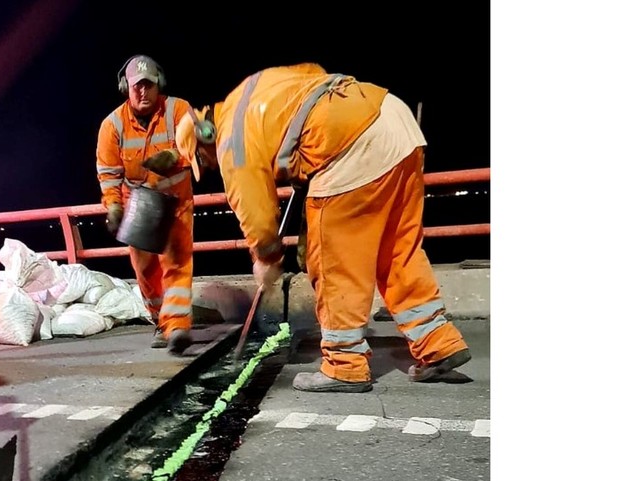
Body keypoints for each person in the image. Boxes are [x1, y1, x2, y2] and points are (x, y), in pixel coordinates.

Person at [174, 63, 471, 392]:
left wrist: (266, 259)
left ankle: (345, 364)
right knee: (398, 252)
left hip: (348, 143)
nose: (212, 166)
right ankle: (438, 345)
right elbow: (313, 73)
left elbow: (257, 215)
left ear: (204, 139)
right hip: (392, 120)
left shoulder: (232, 141)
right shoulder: (249, 90)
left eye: (204, 161)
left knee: (332, 260)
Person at [96, 55, 196, 355]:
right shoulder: (112, 126)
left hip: (175, 201)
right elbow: (109, 173)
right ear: (126, 87)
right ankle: (160, 319)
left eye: (149, 85)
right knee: (145, 269)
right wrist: (113, 207)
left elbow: (194, 147)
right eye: (137, 86)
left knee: (177, 262)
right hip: (136, 204)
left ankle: (177, 325)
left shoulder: (178, 110)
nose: (143, 92)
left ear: (159, 85)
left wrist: (175, 158)